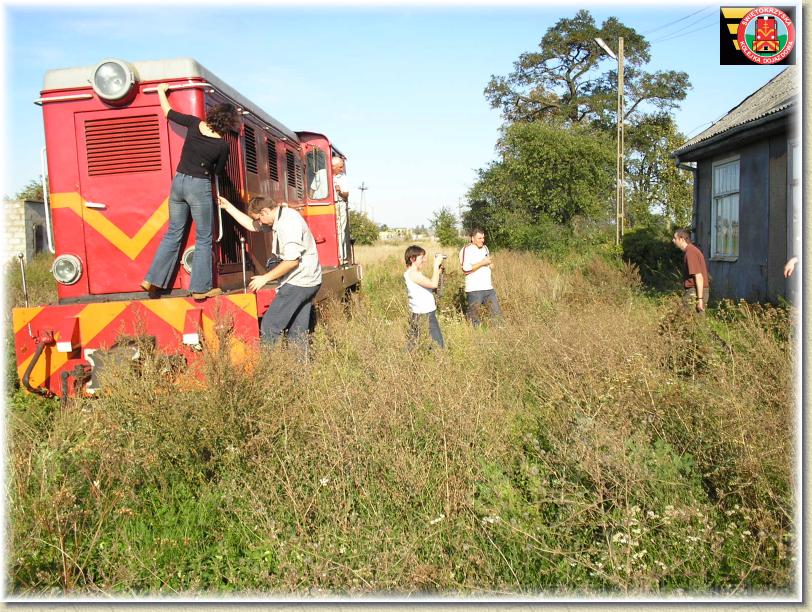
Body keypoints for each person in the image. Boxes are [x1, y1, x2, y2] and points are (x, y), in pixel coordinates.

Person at [141, 83, 240, 300]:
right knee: (204, 237)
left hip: (178, 183)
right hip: (198, 185)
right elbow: (218, 172)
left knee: (173, 233)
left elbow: (168, 112)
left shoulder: (195, 124)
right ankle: (200, 288)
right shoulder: (222, 146)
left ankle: (152, 279)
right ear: (228, 123)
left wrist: (161, 91)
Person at [218, 195, 322, 350]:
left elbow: (292, 261)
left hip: (299, 282)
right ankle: (300, 371)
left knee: (270, 325)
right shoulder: (279, 217)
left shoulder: (288, 223)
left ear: (265, 211)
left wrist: (265, 278)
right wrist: (228, 207)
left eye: (259, 218)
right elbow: (252, 225)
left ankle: (269, 369)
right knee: (297, 331)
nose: (259, 223)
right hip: (308, 280)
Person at [403, 245, 445, 349]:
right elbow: (433, 284)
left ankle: (409, 362)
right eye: (422, 258)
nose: (425, 260)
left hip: (422, 314)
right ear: (412, 259)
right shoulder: (412, 274)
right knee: (439, 346)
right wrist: (435, 266)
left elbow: (433, 288)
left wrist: (438, 273)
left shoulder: (417, 273)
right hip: (424, 314)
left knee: (413, 345)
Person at [459, 228, 503, 326]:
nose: (482, 240)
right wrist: (483, 263)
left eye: (483, 238)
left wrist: (490, 264)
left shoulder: (485, 248)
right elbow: (466, 270)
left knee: (497, 316)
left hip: (488, 288)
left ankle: (499, 336)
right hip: (474, 290)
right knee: (474, 319)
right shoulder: (466, 250)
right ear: (472, 238)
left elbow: (488, 261)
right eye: (479, 238)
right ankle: (476, 338)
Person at [672, 229, 709, 314]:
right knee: (691, 322)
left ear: (681, 239)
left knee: (689, 322)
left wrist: (700, 299)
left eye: (675, 238)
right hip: (695, 291)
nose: (673, 240)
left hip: (695, 292)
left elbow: (699, 277)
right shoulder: (690, 251)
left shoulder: (690, 252)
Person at [332, 157, 351, 264]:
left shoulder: (343, 178)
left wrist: (339, 192)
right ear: (332, 167)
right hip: (329, 206)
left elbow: (346, 195)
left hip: (339, 204)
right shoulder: (322, 174)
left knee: (340, 231)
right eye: (340, 167)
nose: (342, 169)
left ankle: (341, 257)